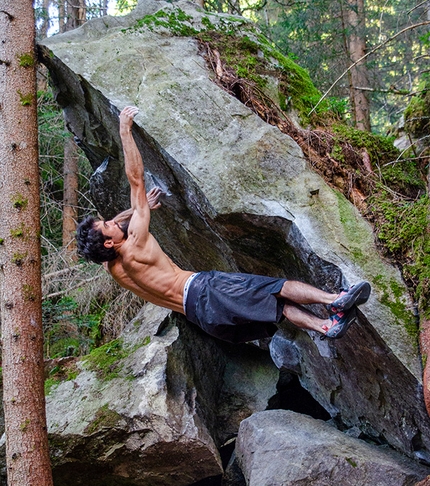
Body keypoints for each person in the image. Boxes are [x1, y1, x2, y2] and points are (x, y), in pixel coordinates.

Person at [76, 106, 371, 344]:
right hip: (207, 291)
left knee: (276, 309)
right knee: (277, 287)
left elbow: (117, 224)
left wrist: (133, 212)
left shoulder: (115, 269)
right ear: (109, 243)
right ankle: (336, 300)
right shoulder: (135, 243)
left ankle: (325, 326)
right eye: (106, 226)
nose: (113, 222)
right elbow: (136, 179)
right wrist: (124, 130)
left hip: (205, 319)